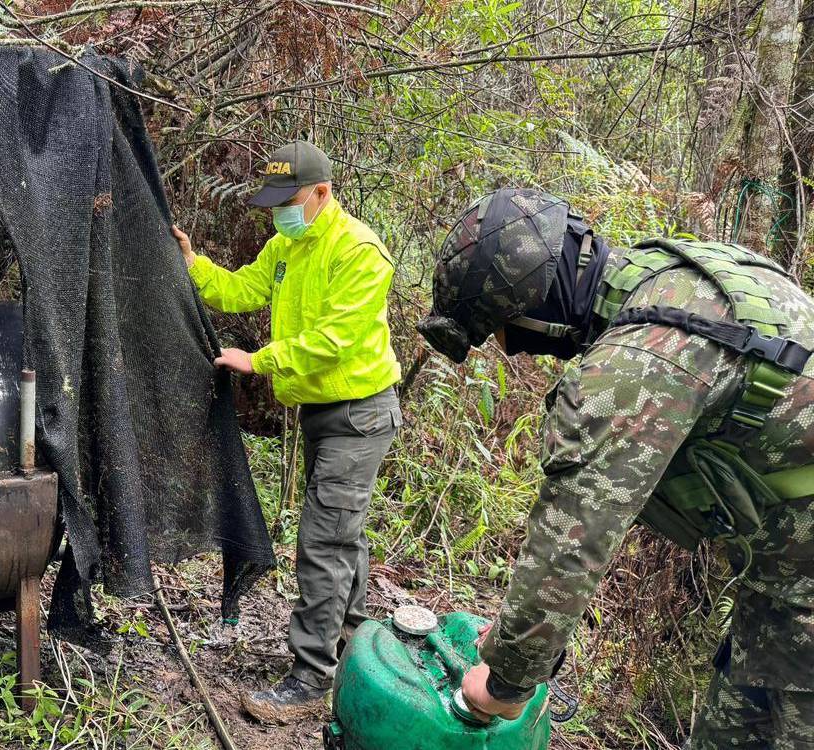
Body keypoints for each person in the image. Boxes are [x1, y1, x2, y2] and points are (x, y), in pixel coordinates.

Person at [416, 187, 814, 748]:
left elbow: (572, 541)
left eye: (504, 335)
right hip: (783, 586)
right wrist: (516, 642)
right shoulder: (666, 276)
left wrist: (505, 682)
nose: (510, 352)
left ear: (537, 311)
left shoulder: (638, 362)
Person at [171, 141, 402, 724]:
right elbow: (242, 290)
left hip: (360, 415)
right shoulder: (287, 244)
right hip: (324, 414)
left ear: (322, 193)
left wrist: (261, 360)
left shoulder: (359, 252)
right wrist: (192, 262)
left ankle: (310, 679)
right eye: (274, 204)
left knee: (323, 541)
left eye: (289, 201)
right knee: (342, 532)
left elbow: (335, 342)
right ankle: (350, 639)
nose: (280, 213)